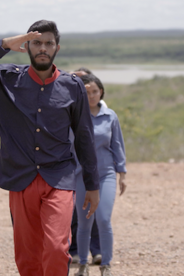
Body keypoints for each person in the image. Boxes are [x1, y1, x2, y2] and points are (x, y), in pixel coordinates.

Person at [0, 19, 100, 276]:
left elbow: (84, 137)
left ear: (57, 47)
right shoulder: (6, 80)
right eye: (36, 42)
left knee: (58, 248)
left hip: (58, 177)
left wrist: (92, 185)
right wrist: (3, 44)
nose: (43, 48)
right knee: (28, 255)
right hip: (21, 177)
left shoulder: (72, 86)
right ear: (27, 46)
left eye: (49, 43)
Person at [73, 74, 127, 276]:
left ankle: (106, 265)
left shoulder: (110, 116)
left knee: (103, 219)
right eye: (86, 93)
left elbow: (117, 146)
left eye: (95, 91)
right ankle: (83, 265)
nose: (91, 96)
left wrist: (122, 173)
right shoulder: (76, 116)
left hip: (106, 175)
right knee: (84, 221)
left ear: (101, 92)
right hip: (81, 176)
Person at [69, 68, 103, 265]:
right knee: (72, 211)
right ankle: (73, 250)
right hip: (70, 168)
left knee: (93, 210)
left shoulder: (100, 110)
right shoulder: (67, 107)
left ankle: (96, 250)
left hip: (91, 169)